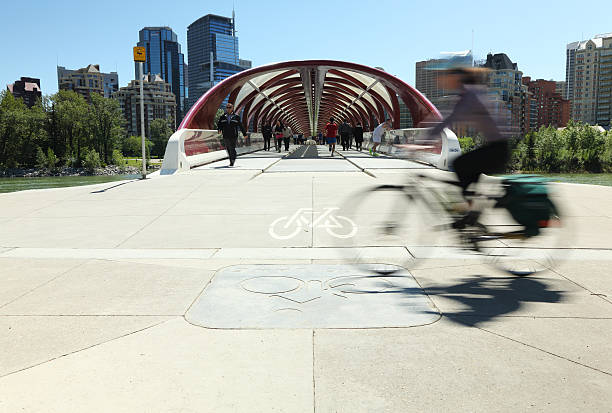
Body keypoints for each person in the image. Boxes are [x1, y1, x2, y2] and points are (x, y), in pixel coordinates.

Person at [426, 66, 510, 227]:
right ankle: (472, 213)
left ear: (457, 78)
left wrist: (422, 141)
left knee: (459, 164)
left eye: (448, 76)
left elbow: (448, 120)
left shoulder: (469, 95)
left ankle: (472, 213)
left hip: (498, 150)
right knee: (466, 173)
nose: (444, 81)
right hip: (497, 148)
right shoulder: (470, 93)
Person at [217, 102, 248, 167]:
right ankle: (232, 158)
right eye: (227, 107)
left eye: (229, 107)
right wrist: (219, 129)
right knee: (228, 148)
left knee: (232, 148)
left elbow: (241, 126)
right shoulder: (222, 117)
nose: (228, 109)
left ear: (232, 108)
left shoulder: (236, 117)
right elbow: (219, 124)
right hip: (225, 134)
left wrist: (244, 134)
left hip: (234, 135)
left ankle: (232, 160)